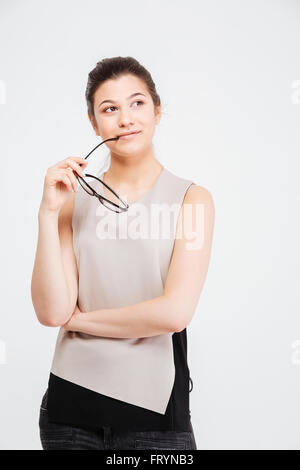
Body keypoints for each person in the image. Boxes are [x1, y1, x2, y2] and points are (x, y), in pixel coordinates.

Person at [31, 56, 215, 450]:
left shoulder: (193, 201)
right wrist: (48, 213)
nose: (125, 118)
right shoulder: (70, 201)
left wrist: (82, 321)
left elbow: (174, 313)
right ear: (94, 123)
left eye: (137, 103)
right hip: (71, 408)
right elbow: (51, 312)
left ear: (157, 110)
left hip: (155, 413)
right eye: (109, 109)